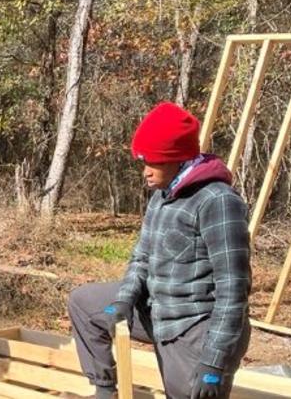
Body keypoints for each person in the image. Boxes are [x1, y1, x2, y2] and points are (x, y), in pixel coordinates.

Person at [67, 102, 251, 399]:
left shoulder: (217, 201)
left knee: (192, 393)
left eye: (153, 163)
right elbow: (142, 258)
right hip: (159, 308)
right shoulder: (162, 196)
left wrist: (213, 363)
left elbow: (233, 292)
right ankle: (104, 391)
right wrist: (124, 301)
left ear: (178, 160)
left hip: (195, 326)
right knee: (84, 304)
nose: (145, 172)